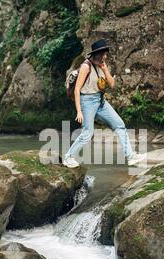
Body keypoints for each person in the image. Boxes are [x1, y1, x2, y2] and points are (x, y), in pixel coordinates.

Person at [63, 39, 147, 168]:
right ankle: (68, 157)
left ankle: (130, 156)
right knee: (87, 133)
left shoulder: (101, 64)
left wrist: (105, 68)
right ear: (97, 54)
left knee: (119, 125)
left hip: (100, 101)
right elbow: (77, 90)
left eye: (106, 54)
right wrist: (79, 111)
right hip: (87, 101)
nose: (105, 57)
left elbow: (112, 85)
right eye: (103, 54)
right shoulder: (86, 66)